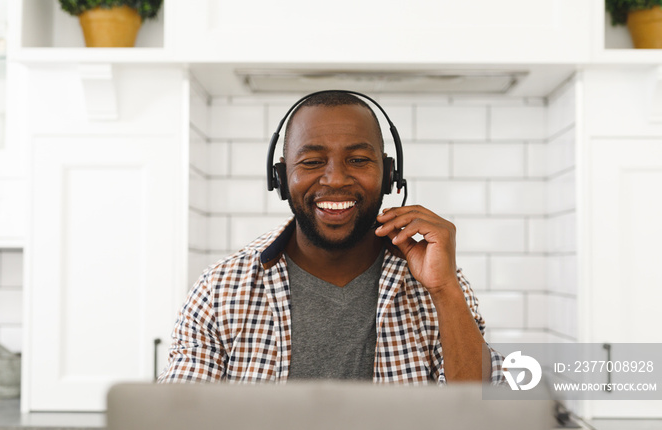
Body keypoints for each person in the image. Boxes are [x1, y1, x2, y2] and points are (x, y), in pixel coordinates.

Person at [158, 91, 504, 384]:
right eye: (311, 161)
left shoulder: (439, 282)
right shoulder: (221, 288)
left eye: (357, 159)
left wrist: (444, 291)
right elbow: (177, 428)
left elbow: (479, 415)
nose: (335, 179)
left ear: (389, 176)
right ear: (281, 178)